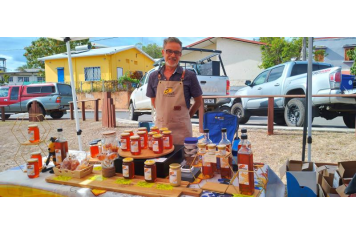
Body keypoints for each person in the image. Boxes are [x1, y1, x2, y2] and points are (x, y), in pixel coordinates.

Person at [146, 37, 203, 145]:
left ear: (180, 55)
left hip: (182, 132)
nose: (173, 55)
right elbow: (154, 103)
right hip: (160, 132)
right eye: (169, 51)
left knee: (182, 161)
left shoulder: (189, 76)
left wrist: (186, 116)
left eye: (177, 52)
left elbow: (199, 101)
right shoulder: (153, 77)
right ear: (163, 52)